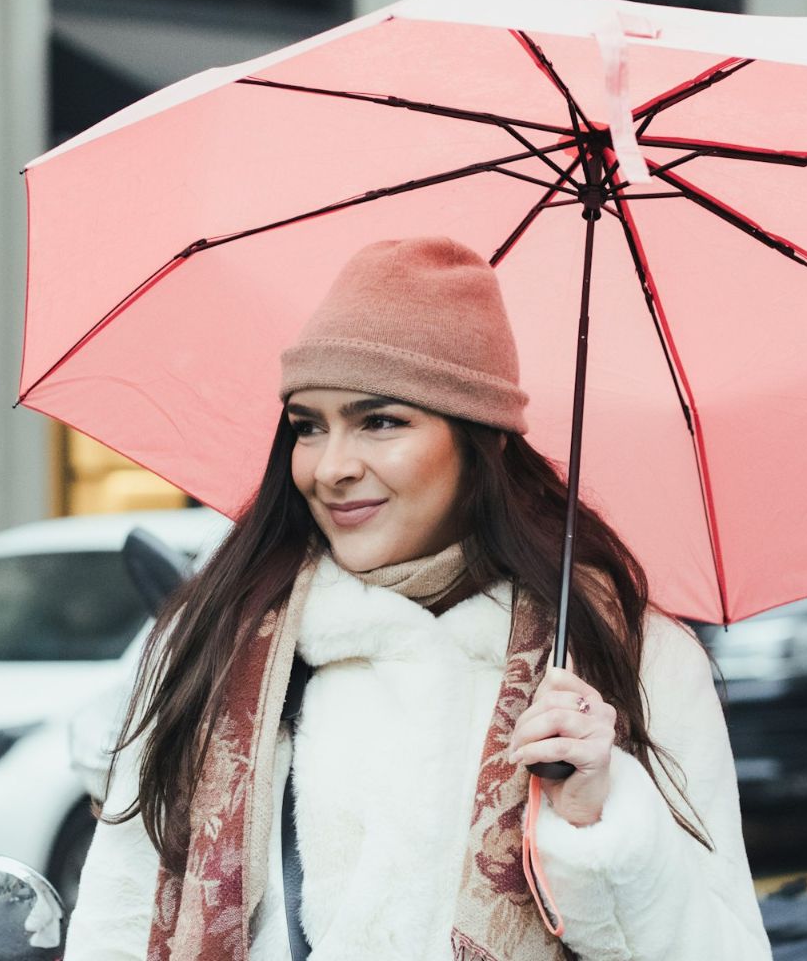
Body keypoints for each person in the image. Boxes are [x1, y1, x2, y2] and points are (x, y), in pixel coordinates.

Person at [63, 237, 771, 961]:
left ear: (482, 443)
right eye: (310, 427)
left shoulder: (629, 657)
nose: (332, 467)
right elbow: (117, 925)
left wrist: (597, 820)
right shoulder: (216, 639)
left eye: (381, 421)